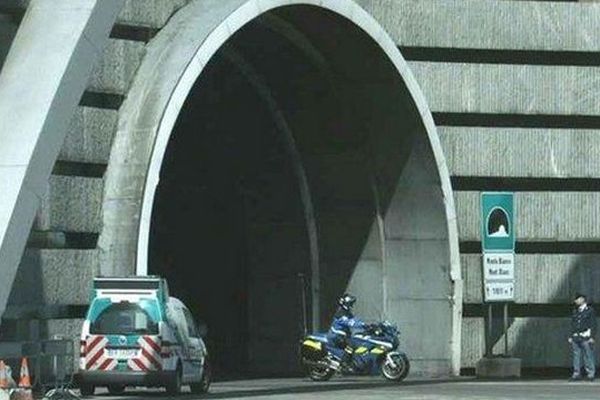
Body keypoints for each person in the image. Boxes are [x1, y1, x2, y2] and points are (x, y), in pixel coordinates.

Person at [327, 294, 366, 368]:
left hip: (342, 336)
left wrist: (368, 325)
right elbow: (350, 322)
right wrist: (363, 325)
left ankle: (351, 362)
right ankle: (344, 363)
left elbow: (355, 320)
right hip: (336, 336)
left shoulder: (347, 312)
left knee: (356, 341)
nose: (351, 305)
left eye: (352, 303)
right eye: (350, 303)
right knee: (352, 344)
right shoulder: (341, 313)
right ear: (345, 303)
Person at [568, 293, 596, 381]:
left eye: (577, 299)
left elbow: (593, 324)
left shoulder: (590, 310)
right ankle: (576, 373)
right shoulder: (575, 311)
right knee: (576, 355)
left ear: (582, 299)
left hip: (586, 336)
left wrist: (592, 336)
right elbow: (572, 324)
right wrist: (570, 335)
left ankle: (590, 374)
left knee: (588, 355)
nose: (575, 301)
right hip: (576, 336)